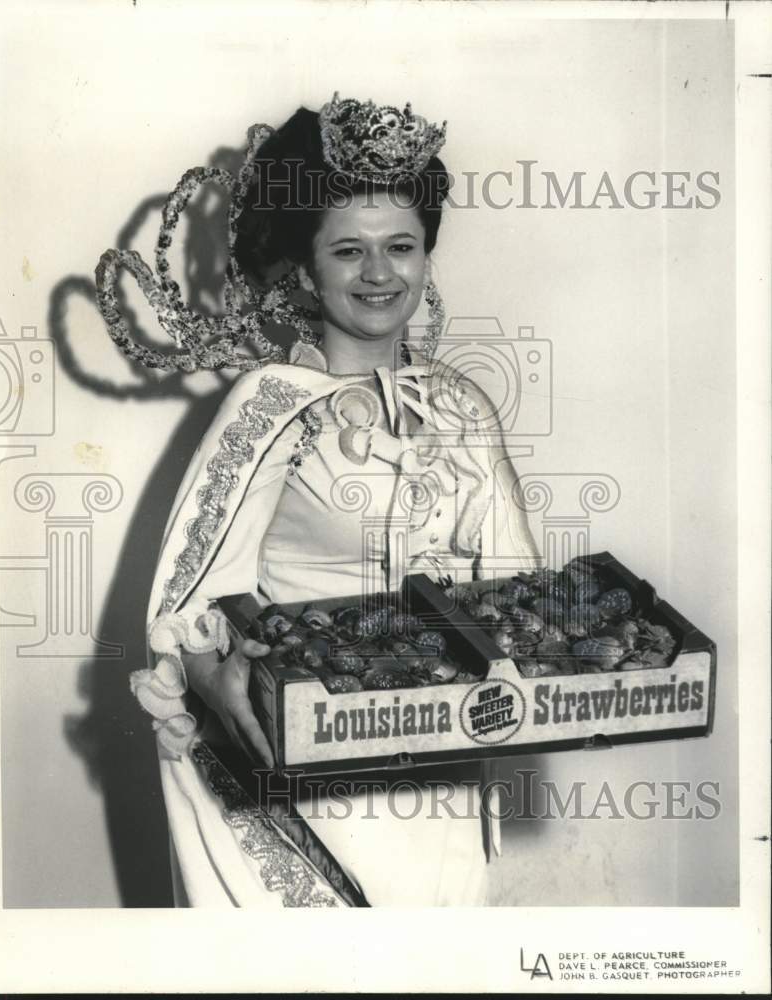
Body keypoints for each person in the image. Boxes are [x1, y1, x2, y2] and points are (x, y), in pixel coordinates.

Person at [97, 93, 541, 907]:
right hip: (307, 764)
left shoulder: (465, 405)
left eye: (400, 247)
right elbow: (186, 596)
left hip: (440, 764)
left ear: (425, 257)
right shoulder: (270, 402)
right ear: (307, 269)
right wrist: (215, 674)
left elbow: (519, 585)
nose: (379, 273)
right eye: (349, 250)